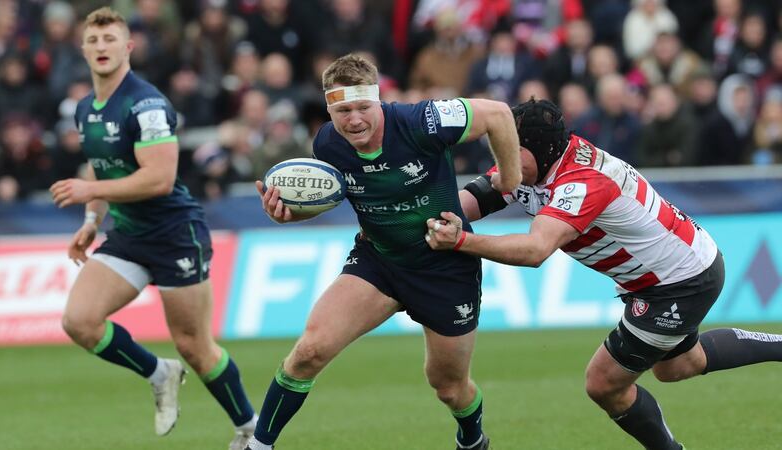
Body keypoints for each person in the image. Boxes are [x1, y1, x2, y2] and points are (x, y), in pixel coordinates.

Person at [425, 98, 782, 450]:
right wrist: (423, 219)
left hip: (680, 281)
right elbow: (476, 198)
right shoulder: (532, 161)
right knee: (679, 366)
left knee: (604, 383)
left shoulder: (582, 182)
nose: (503, 159)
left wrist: (461, 242)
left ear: (539, 150)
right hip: (669, 271)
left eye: (510, 149)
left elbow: (536, 250)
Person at [247, 53, 522, 450]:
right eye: (343, 110)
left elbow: (497, 113)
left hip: (444, 267)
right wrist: (286, 217)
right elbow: (328, 202)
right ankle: (258, 446)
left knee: (448, 387)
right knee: (308, 351)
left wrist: (509, 182)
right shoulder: (326, 143)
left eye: (362, 107)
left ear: (379, 100)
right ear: (329, 109)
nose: (354, 119)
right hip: (379, 263)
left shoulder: (421, 121)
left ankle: (472, 438)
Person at [49, 8, 256, 450]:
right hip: (128, 235)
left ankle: (249, 429)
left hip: (175, 233)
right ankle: (157, 373)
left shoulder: (146, 104)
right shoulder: (85, 109)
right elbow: (104, 169)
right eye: (94, 40)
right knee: (79, 321)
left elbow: (159, 178)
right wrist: (92, 218)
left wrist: (89, 190)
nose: (102, 47)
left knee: (195, 347)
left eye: (111, 39)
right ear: (82, 48)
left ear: (128, 48)